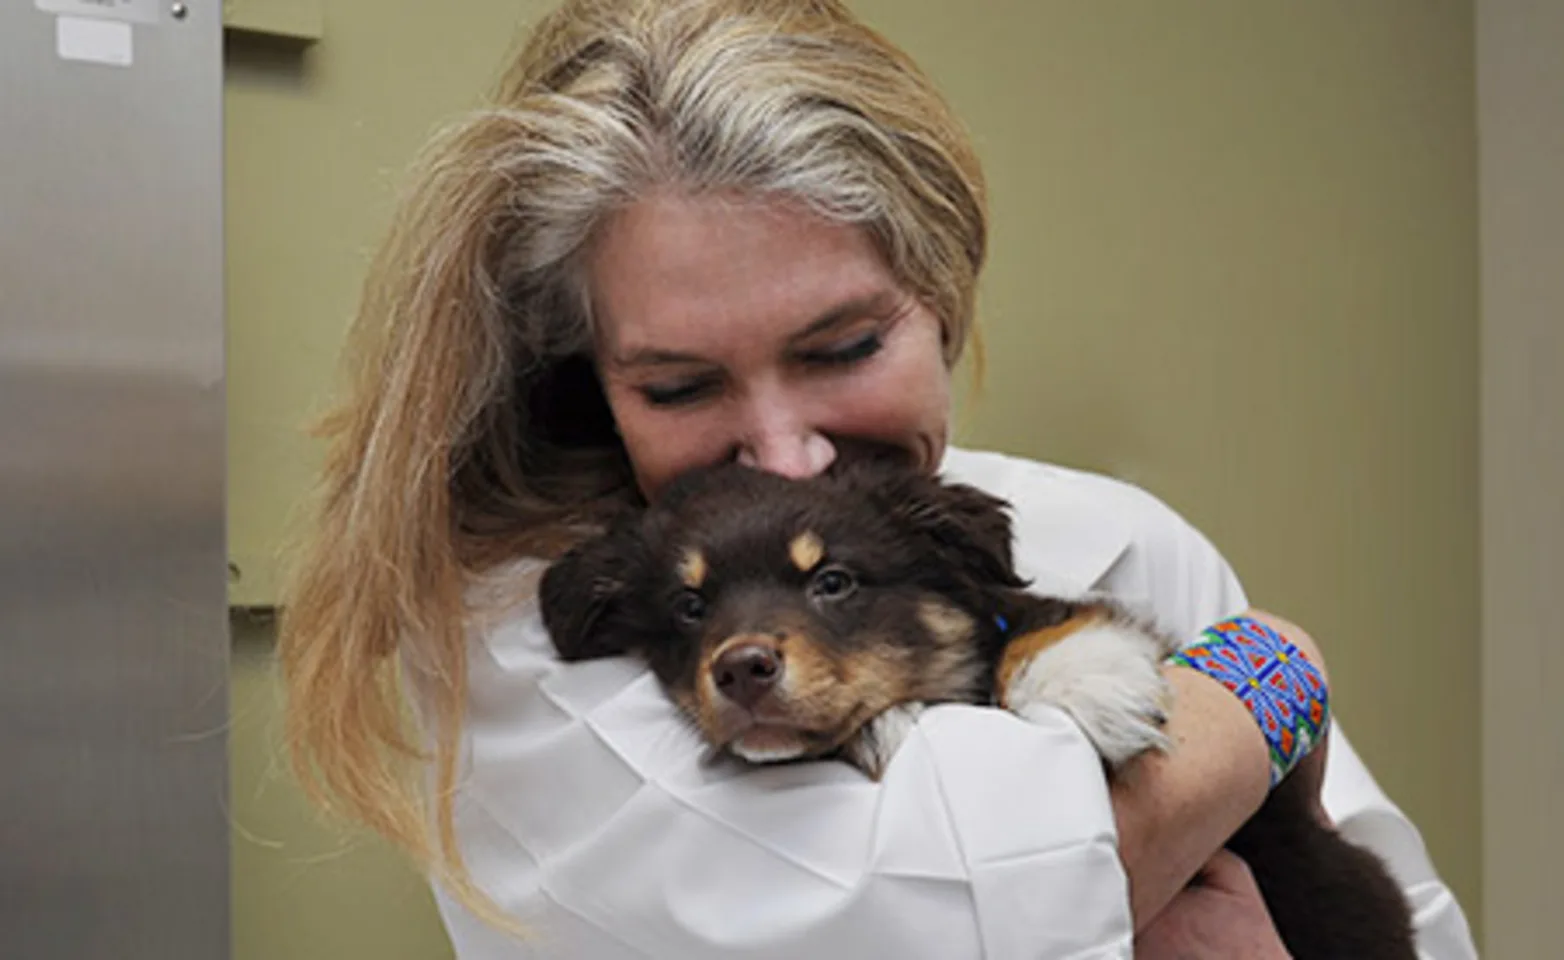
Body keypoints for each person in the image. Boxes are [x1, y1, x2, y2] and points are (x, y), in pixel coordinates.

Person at [276, 1, 1478, 956]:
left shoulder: (1114, 534)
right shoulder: (524, 630)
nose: (787, 449)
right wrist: (1270, 676)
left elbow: (1405, 918)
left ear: (943, 297)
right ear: (589, 380)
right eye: (681, 386)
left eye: (843, 349)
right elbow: (950, 914)